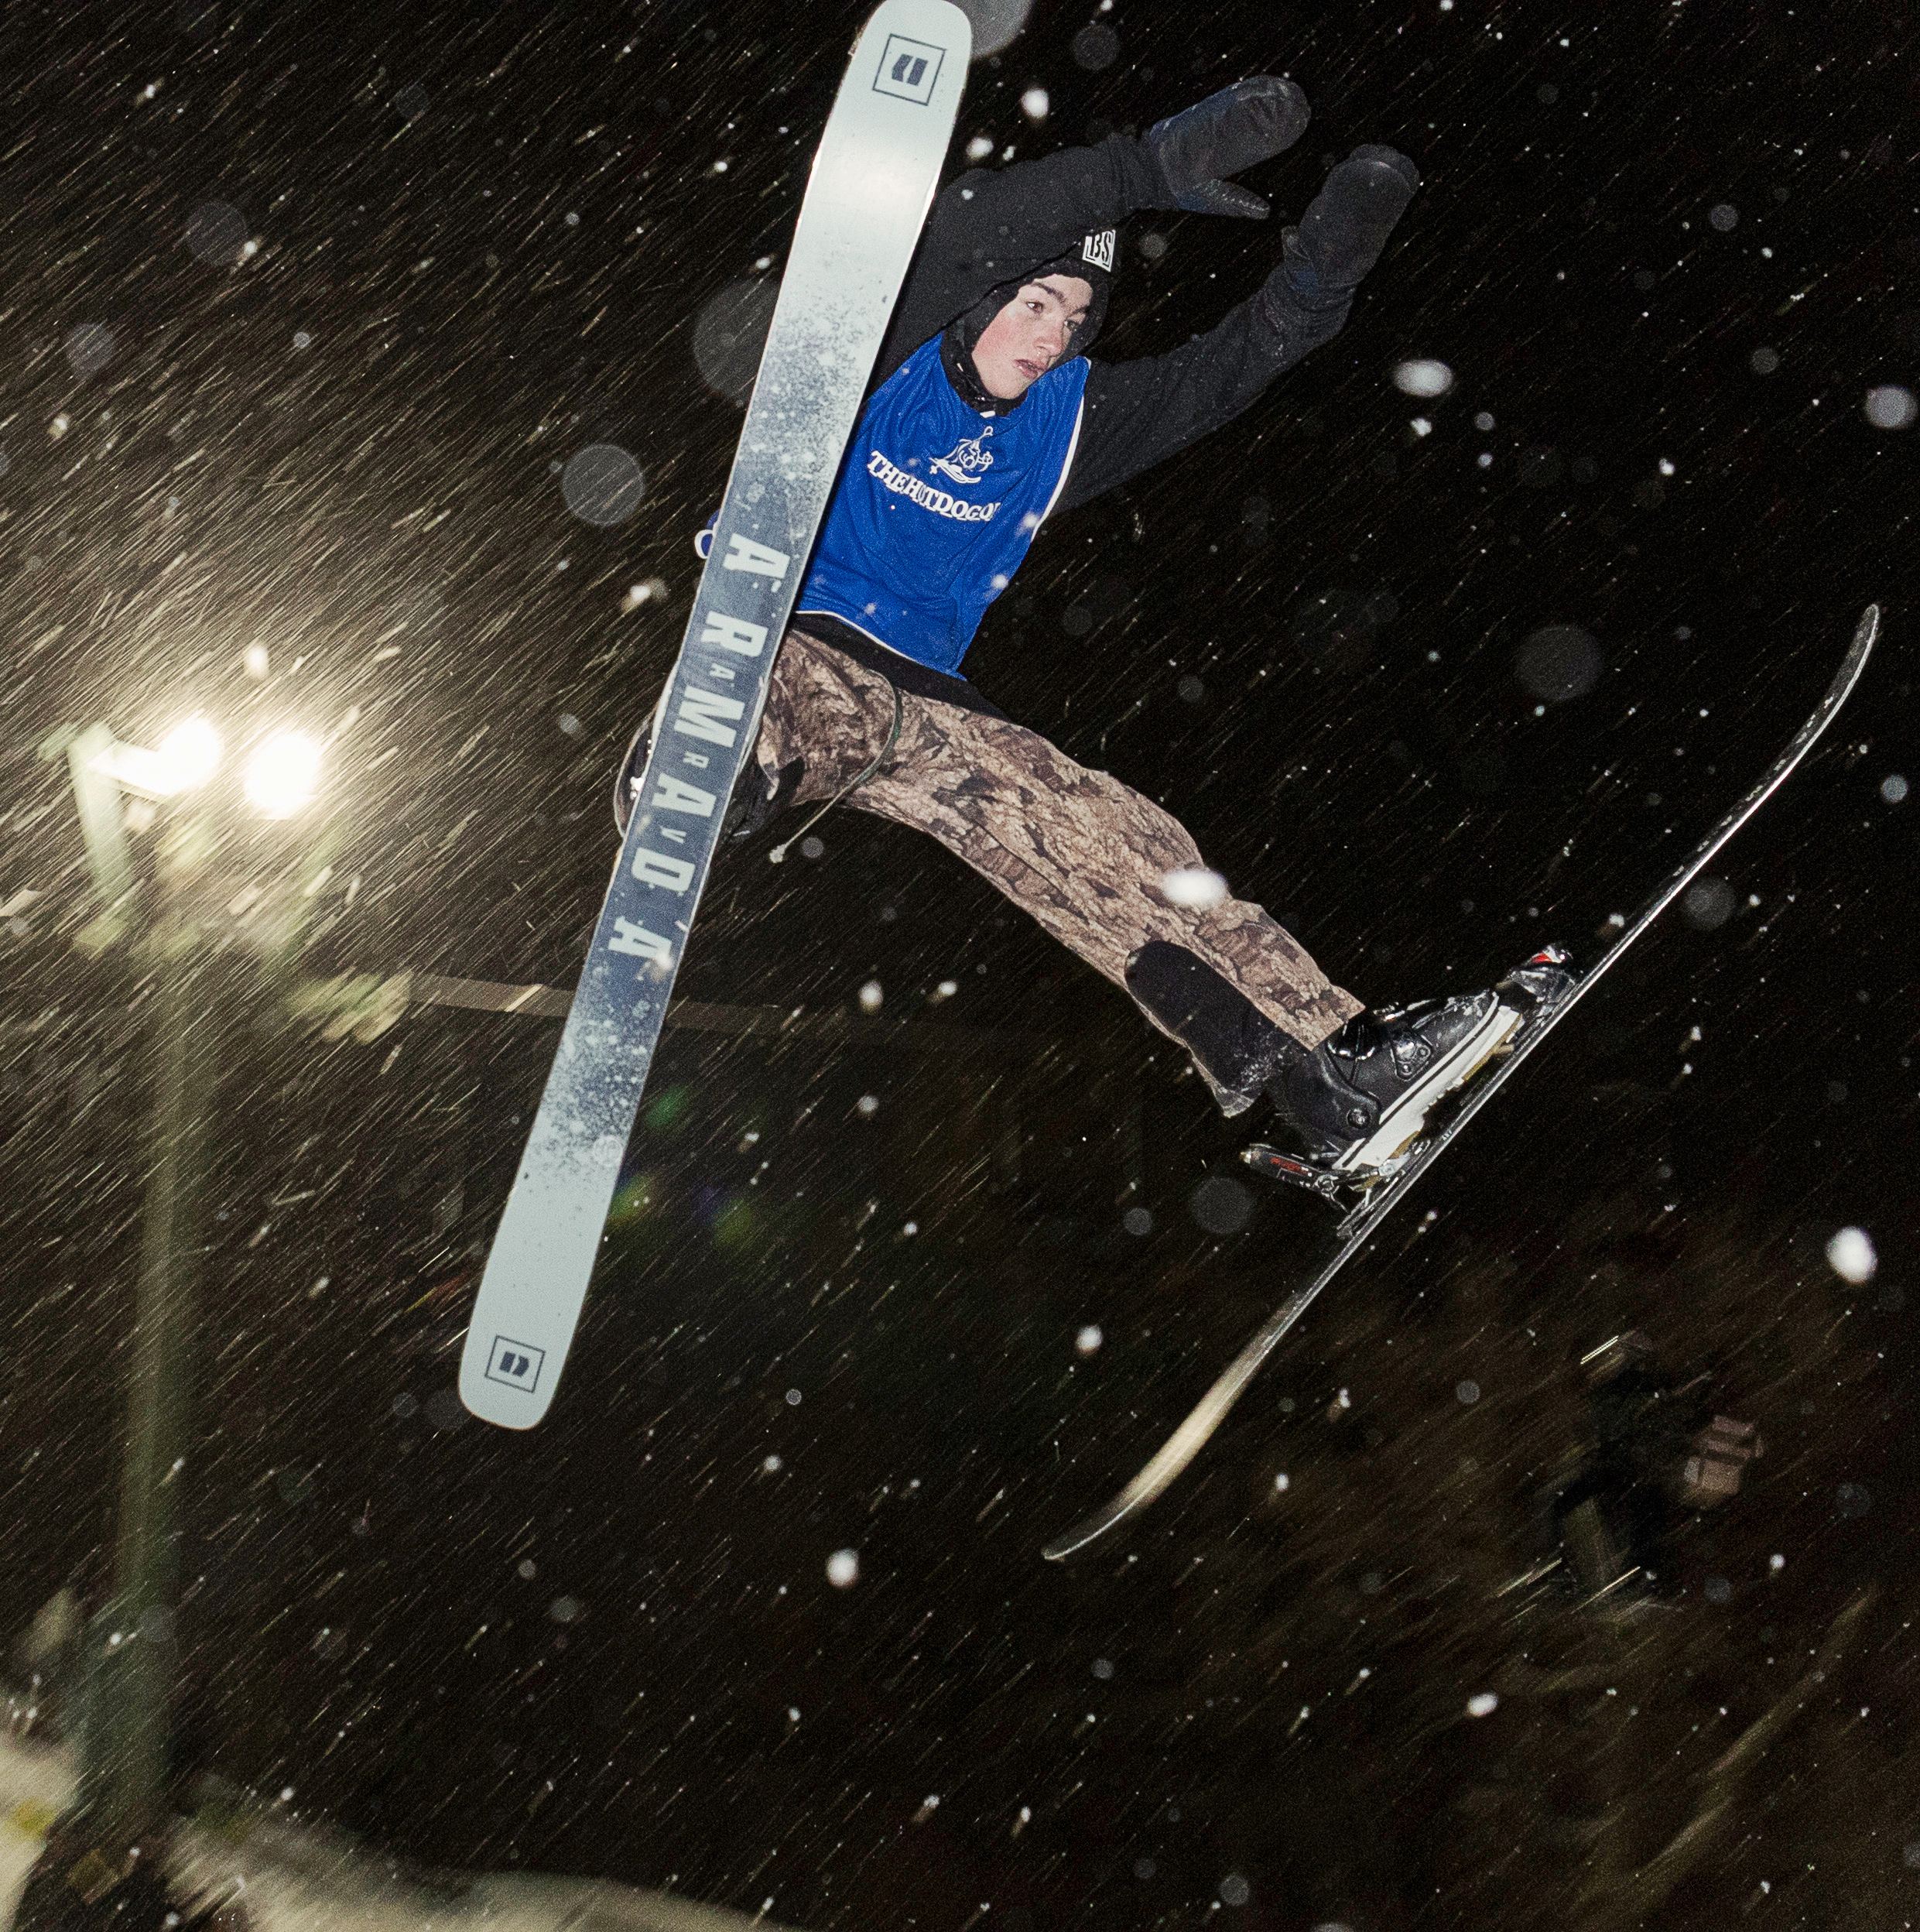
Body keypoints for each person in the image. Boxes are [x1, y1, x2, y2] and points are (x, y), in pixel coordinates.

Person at [619, 77, 1562, 1178]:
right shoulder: (887, 351)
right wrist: (1144, 171)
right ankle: (700, 765)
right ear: (982, 301)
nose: (1050, 337)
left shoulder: (1068, 420)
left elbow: (1231, 368)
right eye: (1033, 305)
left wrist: (1319, 279)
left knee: (1119, 844)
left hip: (927, 704)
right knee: (789, 690)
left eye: (1073, 321)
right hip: (786, 629)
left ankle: (1331, 1075)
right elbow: (964, 235)